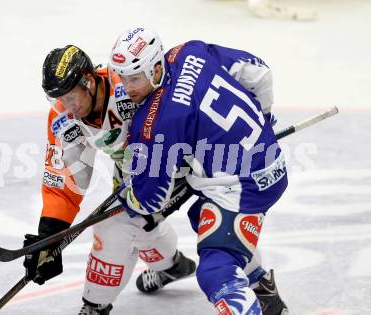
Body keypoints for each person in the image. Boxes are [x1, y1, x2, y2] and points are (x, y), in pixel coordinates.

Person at [108, 27, 289, 315]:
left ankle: (254, 298)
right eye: (122, 78)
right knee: (205, 218)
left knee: (215, 271)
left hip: (243, 187)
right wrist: (262, 119)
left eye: (134, 78)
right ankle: (263, 291)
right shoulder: (189, 52)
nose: (128, 88)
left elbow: (150, 200)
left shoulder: (155, 120)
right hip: (270, 161)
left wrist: (126, 194)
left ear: (155, 69)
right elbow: (258, 73)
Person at [22, 45, 197, 315]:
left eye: (71, 97)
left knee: (113, 226)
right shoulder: (62, 117)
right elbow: (65, 178)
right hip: (133, 168)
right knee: (138, 222)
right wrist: (50, 236)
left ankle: (95, 305)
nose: (67, 107)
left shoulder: (127, 84)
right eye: (58, 99)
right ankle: (171, 266)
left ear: (89, 82)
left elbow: (179, 100)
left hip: (183, 156)